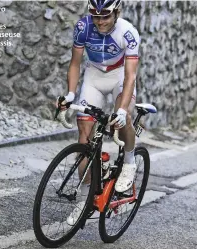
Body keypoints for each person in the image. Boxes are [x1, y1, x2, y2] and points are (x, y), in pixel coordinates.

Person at [57, 0, 140, 225]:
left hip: (120, 76)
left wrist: (122, 110)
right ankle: (84, 201)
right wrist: (71, 94)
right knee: (84, 139)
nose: (100, 22)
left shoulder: (128, 32)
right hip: (94, 76)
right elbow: (75, 63)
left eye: (105, 16)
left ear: (116, 13)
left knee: (123, 119)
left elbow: (131, 76)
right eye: (95, 16)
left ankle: (129, 163)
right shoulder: (83, 27)